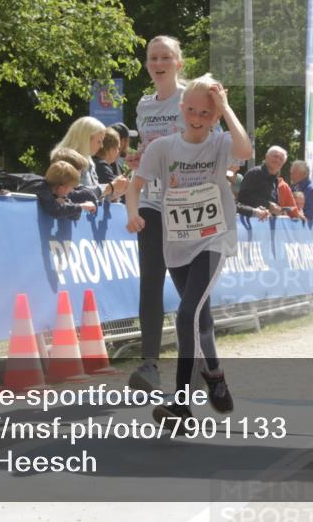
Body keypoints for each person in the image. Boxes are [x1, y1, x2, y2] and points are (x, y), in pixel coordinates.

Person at [125, 74, 253, 422]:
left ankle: (181, 404)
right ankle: (215, 374)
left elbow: (245, 150)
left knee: (186, 313)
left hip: (213, 238)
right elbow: (134, 187)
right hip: (178, 241)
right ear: (182, 109)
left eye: (206, 115)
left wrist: (225, 108)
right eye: (192, 112)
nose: (198, 120)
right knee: (202, 319)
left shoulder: (220, 144)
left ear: (216, 116)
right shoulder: (163, 148)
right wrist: (134, 214)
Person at [125, 36, 189, 393]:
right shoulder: (144, 105)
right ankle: (149, 363)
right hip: (151, 202)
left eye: (166, 57)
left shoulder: (192, 96)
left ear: (178, 62)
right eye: (153, 57)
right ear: (147, 64)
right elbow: (145, 150)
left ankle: (197, 361)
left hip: (185, 204)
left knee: (186, 288)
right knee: (150, 281)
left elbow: (211, 141)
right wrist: (138, 159)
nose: (159, 62)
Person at [52, 116, 128, 200]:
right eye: (99, 141)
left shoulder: (89, 161)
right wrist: (111, 187)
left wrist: (118, 191)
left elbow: (94, 196)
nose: (102, 146)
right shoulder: (67, 159)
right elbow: (71, 194)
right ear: (86, 138)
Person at [19, 160, 97, 219]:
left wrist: (69, 205)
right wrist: (82, 206)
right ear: (61, 188)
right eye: (71, 188)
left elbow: (74, 216)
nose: (72, 191)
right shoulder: (41, 188)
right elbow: (56, 210)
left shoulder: (56, 192)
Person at [236, 145, 287, 220]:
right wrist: (268, 205)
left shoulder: (275, 180)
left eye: (281, 159)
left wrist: (277, 210)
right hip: (250, 221)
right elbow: (243, 197)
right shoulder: (254, 173)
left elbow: (271, 202)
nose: (277, 160)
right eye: (275, 156)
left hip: (265, 224)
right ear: (266, 157)